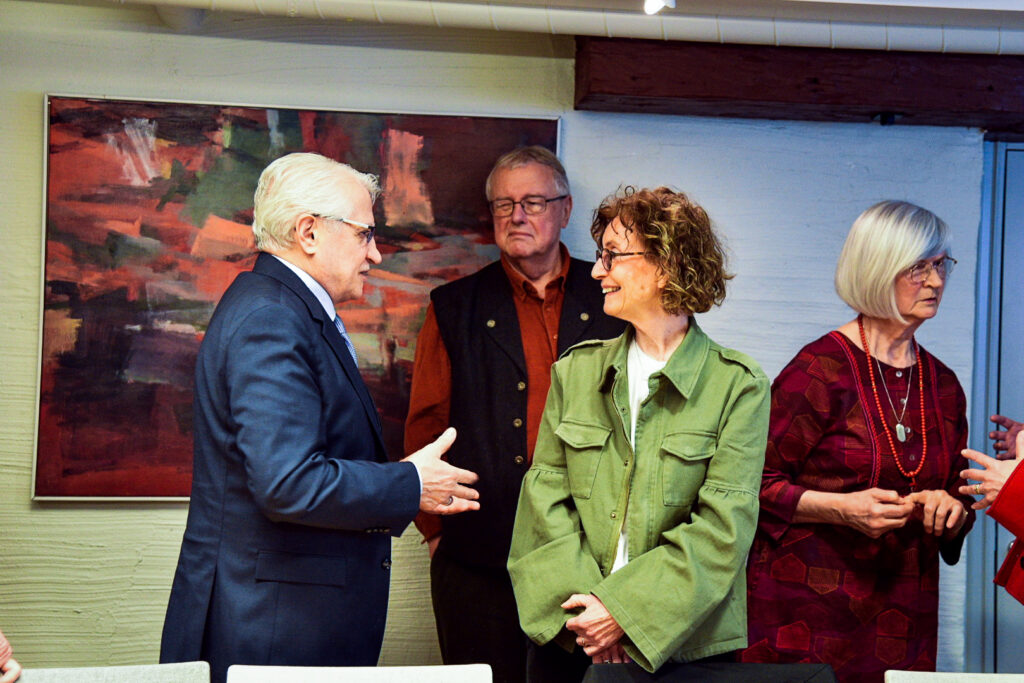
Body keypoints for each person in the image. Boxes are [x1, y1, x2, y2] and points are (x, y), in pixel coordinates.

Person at [160, 153, 480, 683]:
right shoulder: (272, 317)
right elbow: (287, 483)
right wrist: (411, 483)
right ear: (308, 232)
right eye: (364, 234)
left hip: (283, 619)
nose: (375, 253)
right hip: (274, 629)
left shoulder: (281, 306)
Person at [507, 186, 770, 681]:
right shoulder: (575, 373)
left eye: (612, 256)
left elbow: (722, 532)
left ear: (667, 265)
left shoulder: (738, 386)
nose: (596, 271)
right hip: (573, 636)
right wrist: (593, 617)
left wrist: (624, 613)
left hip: (684, 649)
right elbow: (544, 507)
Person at [403, 146, 624, 683]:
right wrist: (436, 535)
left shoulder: (614, 300)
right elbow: (425, 426)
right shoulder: (454, 305)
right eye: (504, 205)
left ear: (565, 210)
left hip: (590, 559)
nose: (517, 216)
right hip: (477, 560)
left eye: (532, 202)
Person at [741, 200, 975, 682]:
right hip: (803, 624)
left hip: (903, 624)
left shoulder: (944, 386)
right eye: (918, 267)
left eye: (940, 265)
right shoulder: (819, 369)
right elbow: (749, 486)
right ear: (877, 268)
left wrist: (948, 509)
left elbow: (960, 500)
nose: (935, 281)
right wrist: (840, 509)